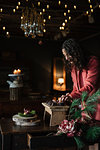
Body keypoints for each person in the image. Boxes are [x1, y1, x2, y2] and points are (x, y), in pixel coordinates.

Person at [60, 38, 100, 121]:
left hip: (96, 105)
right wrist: (68, 96)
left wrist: (71, 96)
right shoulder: (73, 66)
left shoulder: (93, 62)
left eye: (68, 54)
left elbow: (89, 86)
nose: (66, 58)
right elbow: (76, 88)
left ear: (76, 52)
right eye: (65, 55)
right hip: (84, 107)